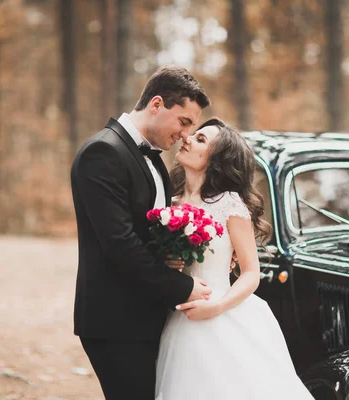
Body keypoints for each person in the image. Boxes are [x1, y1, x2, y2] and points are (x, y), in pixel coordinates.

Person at [70, 66, 213, 400]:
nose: (186, 134)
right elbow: (120, 244)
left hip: (146, 315)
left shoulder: (152, 157)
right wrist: (183, 287)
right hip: (116, 321)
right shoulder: (102, 152)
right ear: (156, 104)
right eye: (184, 122)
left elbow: (151, 235)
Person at [155, 118, 314, 399]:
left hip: (221, 312)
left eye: (201, 139)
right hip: (178, 313)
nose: (188, 138)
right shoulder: (171, 202)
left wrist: (216, 307)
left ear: (216, 159)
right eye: (194, 134)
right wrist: (169, 262)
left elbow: (251, 273)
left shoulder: (229, 204)